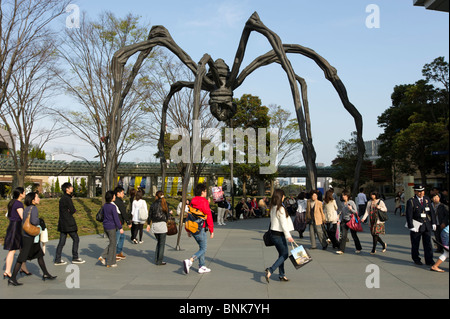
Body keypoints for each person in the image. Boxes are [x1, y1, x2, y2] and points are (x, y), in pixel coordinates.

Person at [8, 192, 56, 286]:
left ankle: (46, 273)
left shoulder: (26, 209)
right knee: (21, 258)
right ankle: (13, 278)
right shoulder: (34, 208)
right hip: (29, 237)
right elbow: (34, 221)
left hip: (27, 235)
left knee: (39, 255)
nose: (39, 199)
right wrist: (40, 221)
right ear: (33, 200)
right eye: (37, 197)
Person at [183, 183, 214, 275]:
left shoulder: (193, 201)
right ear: (202, 192)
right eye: (205, 191)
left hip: (193, 227)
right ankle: (190, 261)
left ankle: (202, 266)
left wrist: (188, 230)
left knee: (201, 247)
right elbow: (208, 215)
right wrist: (211, 230)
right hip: (201, 228)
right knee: (203, 248)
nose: (206, 193)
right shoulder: (204, 202)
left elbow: (189, 216)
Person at [265, 189, 295, 283]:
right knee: (285, 254)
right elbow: (283, 225)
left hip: (274, 234)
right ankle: (271, 269)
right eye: (283, 196)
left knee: (281, 254)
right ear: (280, 197)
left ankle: (282, 275)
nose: (284, 197)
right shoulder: (280, 209)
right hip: (279, 235)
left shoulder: (273, 207)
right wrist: (288, 236)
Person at [405, 185, 437, 266]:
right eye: (419, 191)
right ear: (415, 192)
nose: (421, 193)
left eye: (422, 191)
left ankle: (429, 260)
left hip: (426, 224)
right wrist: (411, 226)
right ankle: (416, 259)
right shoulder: (411, 201)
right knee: (415, 243)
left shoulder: (427, 199)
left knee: (428, 243)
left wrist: (433, 222)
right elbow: (409, 215)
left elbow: (431, 212)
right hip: (417, 224)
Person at [3, 187, 31, 279]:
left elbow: (8, 215)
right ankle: (7, 270)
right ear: (20, 194)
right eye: (24, 192)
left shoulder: (12, 203)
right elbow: (22, 217)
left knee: (22, 249)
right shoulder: (18, 204)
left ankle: (23, 267)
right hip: (16, 228)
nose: (25, 194)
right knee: (13, 250)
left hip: (13, 226)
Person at [54, 182, 85, 265]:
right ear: (67, 189)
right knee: (76, 239)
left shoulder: (62, 198)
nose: (72, 188)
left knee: (62, 242)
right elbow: (73, 210)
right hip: (69, 223)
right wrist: (71, 210)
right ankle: (75, 257)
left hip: (62, 223)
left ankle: (57, 259)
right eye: (70, 187)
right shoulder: (67, 198)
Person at [99, 191, 123, 268]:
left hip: (105, 226)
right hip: (111, 227)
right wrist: (120, 227)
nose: (115, 197)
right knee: (113, 244)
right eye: (114, 196)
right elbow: (116, 218)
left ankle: (104, 257)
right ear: (112, 197)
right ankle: (109, 262)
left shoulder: (104, 206)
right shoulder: (113, 207)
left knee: (112, 243)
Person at [146, 191, 171, 265]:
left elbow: (150, 214)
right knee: (162, 243)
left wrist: (148, 224)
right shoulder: (165, 204)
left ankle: (157, 258)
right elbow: (167, 214)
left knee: (159, 242)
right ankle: (159, 260)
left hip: (155, 225)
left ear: (156, 196)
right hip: (162, 224)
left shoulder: (153, 204)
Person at [336, 190, 362, 255]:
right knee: (343, 236)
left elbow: (356, 212)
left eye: (344, 195)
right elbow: (341, 213)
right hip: (344, 221)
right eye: (342, 195)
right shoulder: (342, 203)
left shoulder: (352, 202)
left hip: (351, 221)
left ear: (347, 196)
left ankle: (358, 248)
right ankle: (341, 250)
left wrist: (351, 209)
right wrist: (339, 220)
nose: (343, 196)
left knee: (354, 235)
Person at [114, 186, 131, 260]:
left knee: (121, 236)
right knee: (116, 239)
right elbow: (123, 212)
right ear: (118, 193)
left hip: (117, 222)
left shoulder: (115, 200)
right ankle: (114, 254)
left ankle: (118, 252)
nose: (123, 194)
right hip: (118, 222)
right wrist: (128, 222)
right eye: (122, 193)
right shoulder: (118, 201)